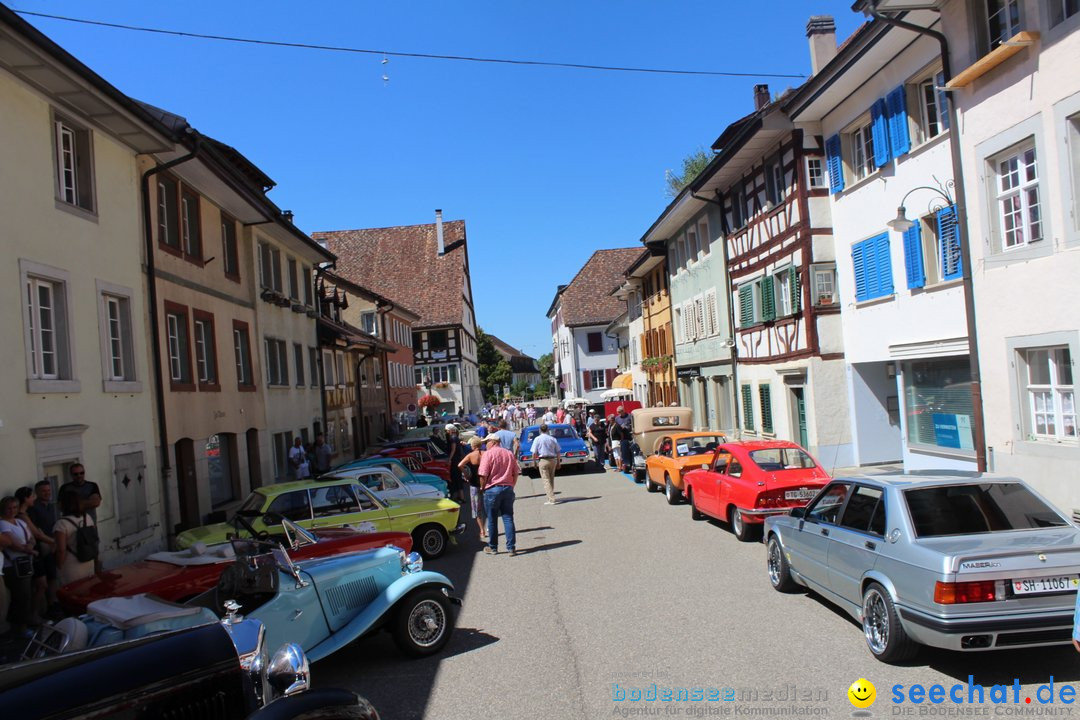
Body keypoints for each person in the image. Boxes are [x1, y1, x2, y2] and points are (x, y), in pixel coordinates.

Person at [15, 487, 55, 620]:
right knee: (40, 584)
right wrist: (54, 541)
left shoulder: (25, 514)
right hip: (32, 555)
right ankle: (33, 614)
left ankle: (35, 613)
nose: (34, 499)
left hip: (34, 552)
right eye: (32, 496)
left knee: (40, 584)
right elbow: (37, 534)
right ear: (26, 499)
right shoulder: (22, 516)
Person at [2, 495, 39, 635]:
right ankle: (20, 628)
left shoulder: (20, 522)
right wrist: (29, 550)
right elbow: (10, 543)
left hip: (24, 562)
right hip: (12, 565)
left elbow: (31, 538)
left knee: (26, 595)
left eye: (15, 507)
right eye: (9, 508)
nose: (12, 510)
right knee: (21, 596)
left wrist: (29, 546)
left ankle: (21, 625)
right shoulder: (3, 524)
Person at [478, 434, 519, 556]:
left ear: (493, 442)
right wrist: (511, 485)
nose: (485, 445)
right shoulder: (508, 453)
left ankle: (493, 547)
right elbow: (515, 472)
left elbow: (483, 474)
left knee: (492, 518)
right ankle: (511, 548)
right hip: (507, 488)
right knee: (508, 517)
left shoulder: (488, 454)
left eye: (486, 442)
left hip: (492, 489)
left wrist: (483, 488)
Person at [26, 481, 58, 612]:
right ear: (37, 493)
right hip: (40, 548)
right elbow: (36, 531)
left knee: (52, 576)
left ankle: (53, 604)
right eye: (44, 491)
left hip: (51, 546)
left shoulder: (50, 506)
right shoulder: (33, 508)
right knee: (41, 582)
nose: (47, 493)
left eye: (49, 490)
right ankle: (41, 610)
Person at [53, 490, 96, 587]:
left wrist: (59, 565)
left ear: (62, 504)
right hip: (87, 560)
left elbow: (61, 549)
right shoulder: (87, 517)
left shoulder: (61, 523)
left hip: (71, 564)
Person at [458, 436, 486, 538]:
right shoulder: (485, 454)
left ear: (473, 446)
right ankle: (490, 528)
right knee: (488, 507)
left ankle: (482, 530)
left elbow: (460, 465)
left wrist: (466, 474)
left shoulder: (470, 455)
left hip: (474, 484)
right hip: (486, 483)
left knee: (477, 509)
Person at [531, 423, 562, 505]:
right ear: (548, 430)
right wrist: (559, 462)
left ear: (540, 430)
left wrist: (534, 462)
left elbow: (534, 452)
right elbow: (558, 451)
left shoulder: (537, 439)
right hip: (552, 460)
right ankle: (550, 497)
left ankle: (551, 499)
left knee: (546, 480)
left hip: (543, 460)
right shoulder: (552, 438)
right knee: (551, 479)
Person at [445, 424, 465, 503]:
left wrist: (449, 459)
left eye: (446, 431)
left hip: (455, 460)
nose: (446, 432)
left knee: (455, 477)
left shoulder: (453, 438)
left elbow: (453, 450)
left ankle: (460, 497)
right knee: (458, 477)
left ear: (450, 430)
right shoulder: (456, 437)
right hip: (457, 459)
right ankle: (461, 496)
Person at [614, 405, 634, 473]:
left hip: (630, 435)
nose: (618, 414)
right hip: (623, 437)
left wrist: (626, 427)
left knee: (632, 451)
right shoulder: (617, 418)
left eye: (619, 412)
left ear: (623, 411)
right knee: (625, 452)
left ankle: (632, 464)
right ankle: (627, 464)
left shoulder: (629, 416)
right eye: (617, 412)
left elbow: (633, 425)